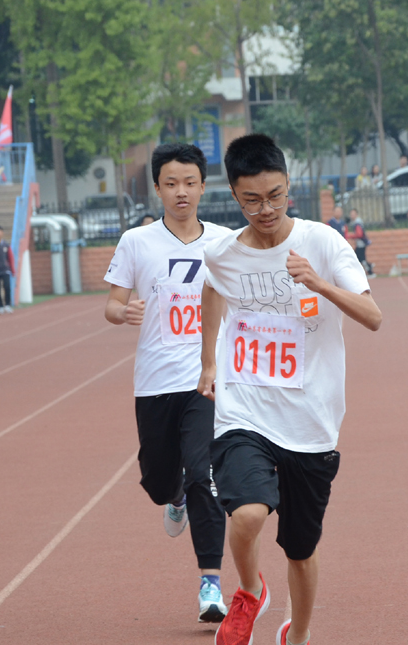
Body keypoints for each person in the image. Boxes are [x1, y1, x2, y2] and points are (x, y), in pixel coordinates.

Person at [198, 134, 382, 645]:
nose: (266, 209)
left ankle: (297, 634)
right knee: (246, 513)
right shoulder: (223, 253)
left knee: (300, 550)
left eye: (275, 195)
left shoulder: (323, 242)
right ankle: (251, 590)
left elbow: (373, 316)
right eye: (253, 200)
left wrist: (320, 284)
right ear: (235, 196)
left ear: (287, 186)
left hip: (311, 420)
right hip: (245, 408)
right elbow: (212, 288)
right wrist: (209, 360)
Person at [103, 143, 230, 625]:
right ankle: (173, 498)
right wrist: (124, 313)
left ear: (203, 187)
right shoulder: (137, 242)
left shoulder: (224, 242)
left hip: (206, 377)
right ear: (157, 188)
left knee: (204, 474)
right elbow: (112, 305)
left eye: (190, 183)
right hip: (155, 382)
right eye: (171, 183)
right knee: (159, 481)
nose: (181, 192)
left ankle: (211, 583)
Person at [345, 208, 373, 276]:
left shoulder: (357, 223)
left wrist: (350, 236)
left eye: (353, 214)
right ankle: (369, 266)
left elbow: (359, 234)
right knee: (358, 258)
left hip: (361, 244)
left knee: (361, 258)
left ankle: (370, 271)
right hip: (360, 243)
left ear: (356, 214)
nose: (352, 216)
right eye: (351, 214)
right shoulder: (356, 222)